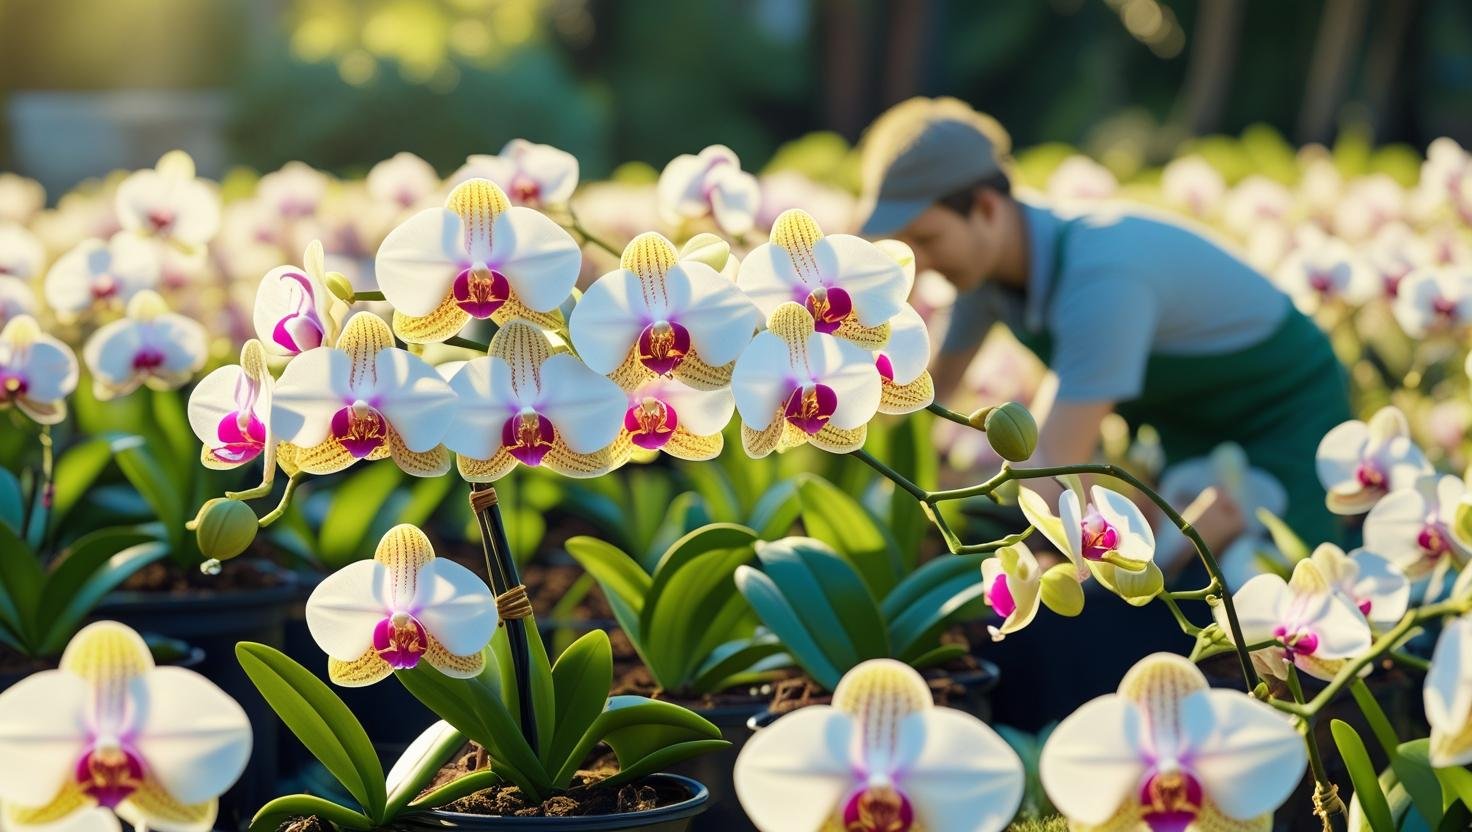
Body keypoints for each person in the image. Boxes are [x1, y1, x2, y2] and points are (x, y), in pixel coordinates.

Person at [855, 97, 1352, 727]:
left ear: (985, 208)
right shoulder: (985, 277)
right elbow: (922, 395)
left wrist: (983, 548)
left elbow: (1053, 467)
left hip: (1287, 433)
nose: (919, 264)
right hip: (1194, 446)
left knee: (1258, 625)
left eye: (926, 240)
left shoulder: (1100, 277)